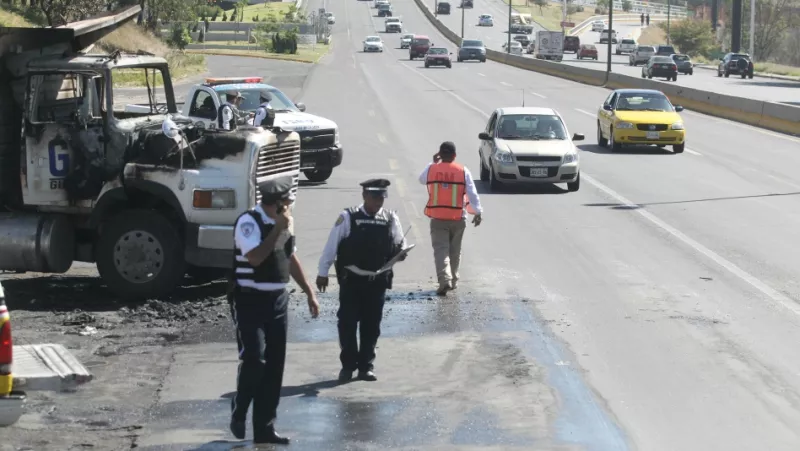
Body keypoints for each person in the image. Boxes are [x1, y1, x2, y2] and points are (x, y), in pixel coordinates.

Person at [229, 174, 320, 445]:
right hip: (249, 300)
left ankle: (265, 428)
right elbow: (256, 258)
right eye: (287, 204)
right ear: (278, 204)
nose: (290, 208)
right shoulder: (249, 222)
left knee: (274, 367)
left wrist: (309, 292)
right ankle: (240, 406)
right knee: (256, 359)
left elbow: (289, 258)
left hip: (277, 301)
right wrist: (276, 230)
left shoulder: (284, 226)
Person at [316, 179, 407, 383]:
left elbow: (399, 242)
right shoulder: (347, 217)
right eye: (375, 197)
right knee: (347, 324)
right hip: (352, 282)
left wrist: (401, 252)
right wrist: (322, 272)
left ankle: (366, 367)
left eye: (382, 198)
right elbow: (331, 247)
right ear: (364, 195)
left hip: (377, 282)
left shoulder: (390, 218)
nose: (379, 202)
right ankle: (348, 366)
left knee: (371, 326)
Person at [418, 141, 482, 296]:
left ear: (440, 154)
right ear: (454, 156)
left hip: (438, 218)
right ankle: (453, 280)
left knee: (441, 250)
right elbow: (472, 192)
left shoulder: (432, 169)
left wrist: (433, 162)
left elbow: (421, 179)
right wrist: (477, 212)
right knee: (455, 250)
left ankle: (444, 279)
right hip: (458, 217)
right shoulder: (462, 170)